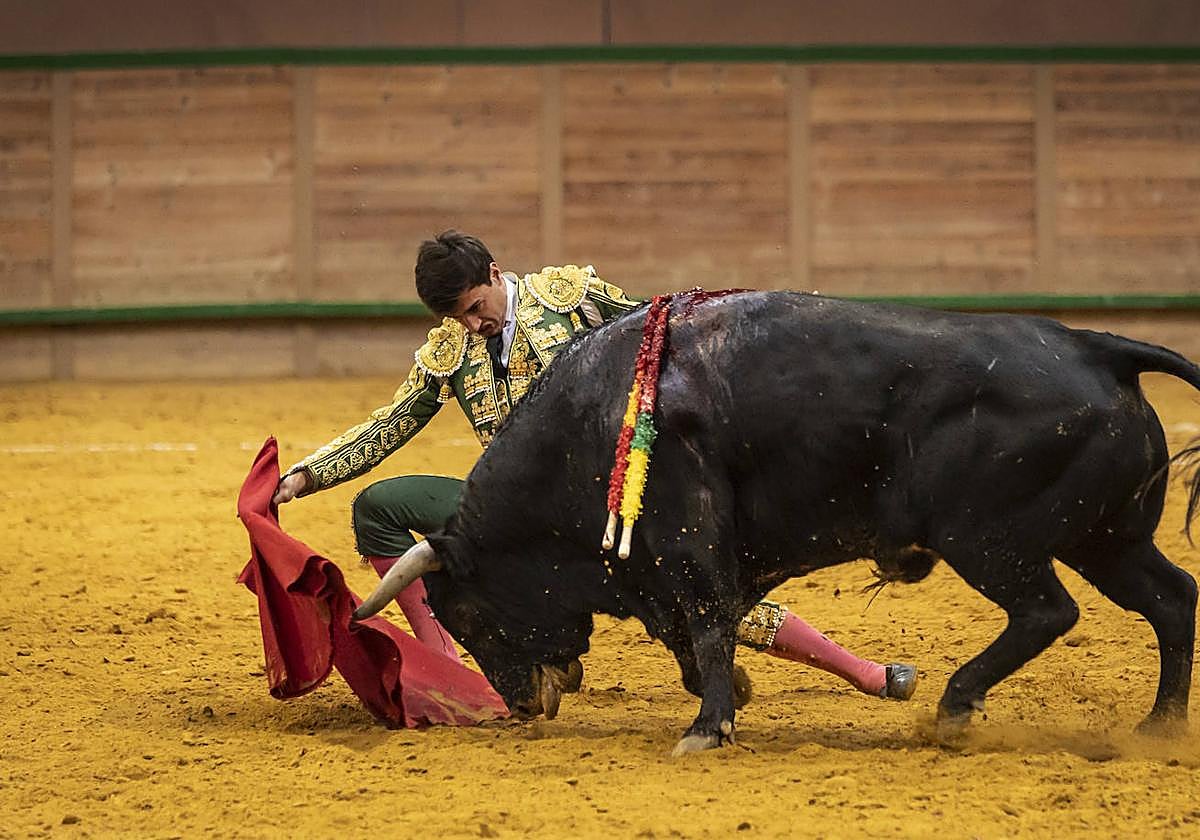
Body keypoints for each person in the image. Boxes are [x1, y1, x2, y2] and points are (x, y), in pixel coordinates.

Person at [273, 230, 916, 701]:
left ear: (497, 274)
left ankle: (857, 669)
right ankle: (442, 660)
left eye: (475, 307)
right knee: (381, 508)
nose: (472, 326)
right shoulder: (449, 350)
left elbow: (663, 342)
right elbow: (390, 426)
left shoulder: (573, 299)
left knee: (695, 583)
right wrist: (306, 474)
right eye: (457, 317)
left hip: (609, 501)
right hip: (516, 518)